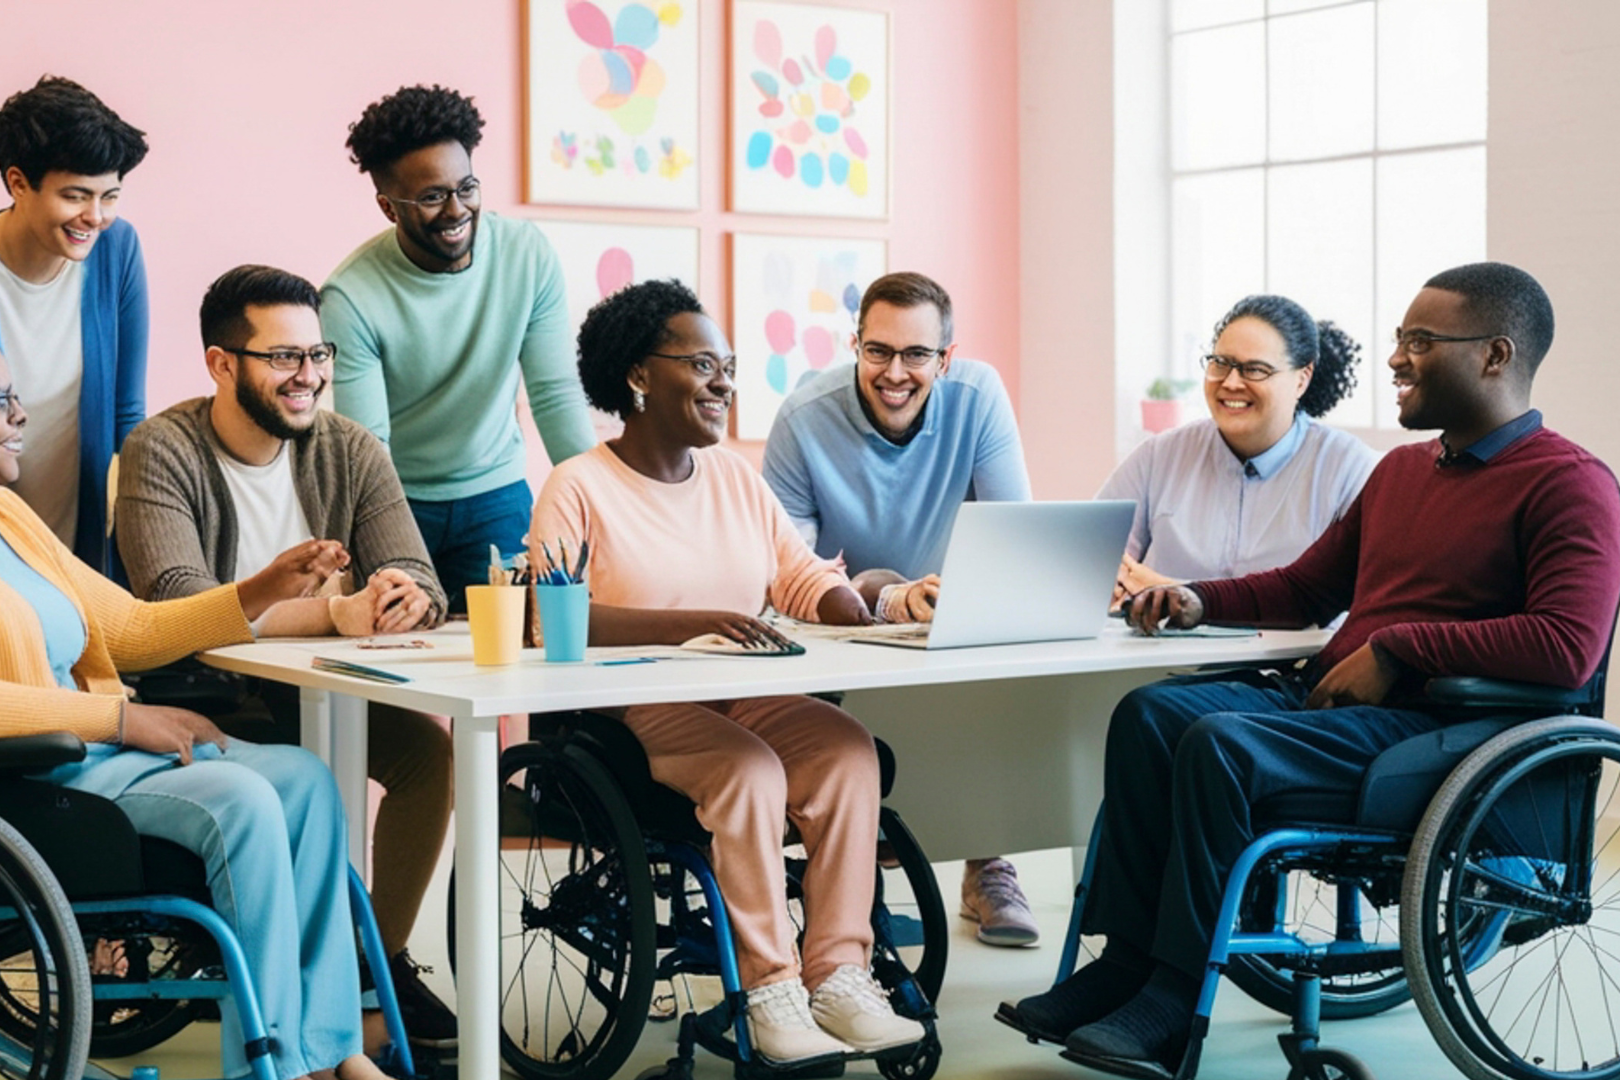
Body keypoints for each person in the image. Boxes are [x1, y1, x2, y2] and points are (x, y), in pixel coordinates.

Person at [1002, 262, 1620, 1079]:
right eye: (1400, 340)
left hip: (1447, 729)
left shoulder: (1569, 483)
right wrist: (1196, 599)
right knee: (1150, 714)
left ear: (1496, 355)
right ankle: (1123, 964)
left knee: (1222, 744)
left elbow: (1566, 645)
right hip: (1349, 712)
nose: (1396, 359)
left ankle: (1172, 998)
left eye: (1420, 343)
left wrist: (1400, 649)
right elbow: (1305, 588)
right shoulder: (1401, 473)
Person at [529, 279, 927, 1065]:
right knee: (746, 770)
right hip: (631, 708)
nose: (726, 384)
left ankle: (839, 973)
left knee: (847, 750)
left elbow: (803, 579)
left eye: (730, 365)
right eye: (704, 364)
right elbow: (555, 618)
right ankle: (770, 989)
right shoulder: (578, 486)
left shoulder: (738, 480)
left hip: (743, 693)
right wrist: (697, 624)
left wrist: (881, 608)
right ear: (640, 376)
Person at [0, 344, 396, 1080]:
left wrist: (264, 588)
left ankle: (331, 1052)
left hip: (96, 761)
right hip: (36, 781)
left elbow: (129, 627)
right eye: (0, 403)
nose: (20, 414)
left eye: (13, 395)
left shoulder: (10, 519)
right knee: (240, 798)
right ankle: (268, 1066)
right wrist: (122, 722)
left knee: (305, 781)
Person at [114, 265, 458, 1049]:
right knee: (300, 783)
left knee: (425, 758)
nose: (308, 375)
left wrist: (406, 592)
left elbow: (422, 575)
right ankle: (314, 1001)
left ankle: (377, 964)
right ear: (221, 363)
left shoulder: (349, 447)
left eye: (317, 353)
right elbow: (178, 604)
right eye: (282, 357)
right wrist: (332, 612)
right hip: (208, 692)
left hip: (329, 691)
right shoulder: (160, 450)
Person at [762, 271, 1039, 946]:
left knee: (1009, 682)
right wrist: (886, 597)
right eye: (878, 351)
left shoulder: (979, 397)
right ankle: (854, 871)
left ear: (944, 358)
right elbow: (781, 568)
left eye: (917, 355)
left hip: (952, 610)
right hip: (838, 620)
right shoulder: (803, 417)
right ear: (854, 344)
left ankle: (987, 858)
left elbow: (1016, 536)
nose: (895, 372)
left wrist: (950, 598)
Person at [322, 84, 595, 613]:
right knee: (402, 663)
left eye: (465, 187)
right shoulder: (350, 296)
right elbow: (368, 444)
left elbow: (555, 393)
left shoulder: (525, 255)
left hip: (497, 499)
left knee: (514, 667)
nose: (456, 210)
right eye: (430, 197)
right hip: (398, 504)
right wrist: (384, 544)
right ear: (387, 206)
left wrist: (598, 504)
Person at [1100, 294, 1378, 597]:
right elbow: (1093, 562)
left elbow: (1340, 597)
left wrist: (1174, 591)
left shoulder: (1349, 468)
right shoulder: (1159, 456)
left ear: (1301, 379)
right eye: (1220, 364)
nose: (1231, 382)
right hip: (1161, 644)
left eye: (1255, 369)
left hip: (1300, 646)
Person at [0, 76, 149, 575]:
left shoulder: (117, 250)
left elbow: (127, 413)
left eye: (110, 196)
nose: (95, 217)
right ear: (18, 183)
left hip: (74, 545)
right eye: (76, 196)